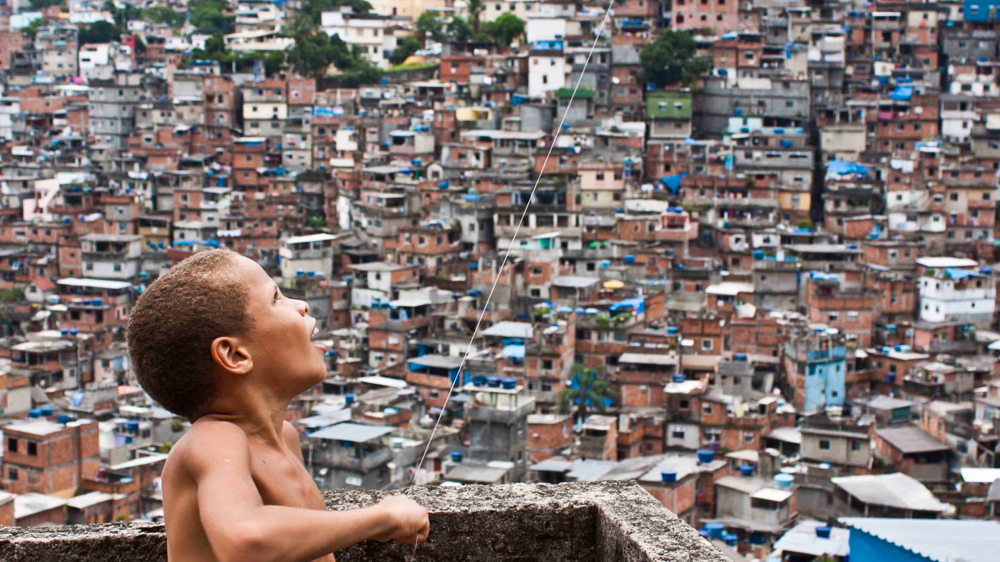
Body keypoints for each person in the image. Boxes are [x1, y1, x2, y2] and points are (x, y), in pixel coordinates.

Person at [127, 250, 429, 562]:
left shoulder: (286, 438)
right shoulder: (213, 442)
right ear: (236, 356)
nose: (302, 305)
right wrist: (380, 518)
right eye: (276, 298)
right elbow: (247, 540)